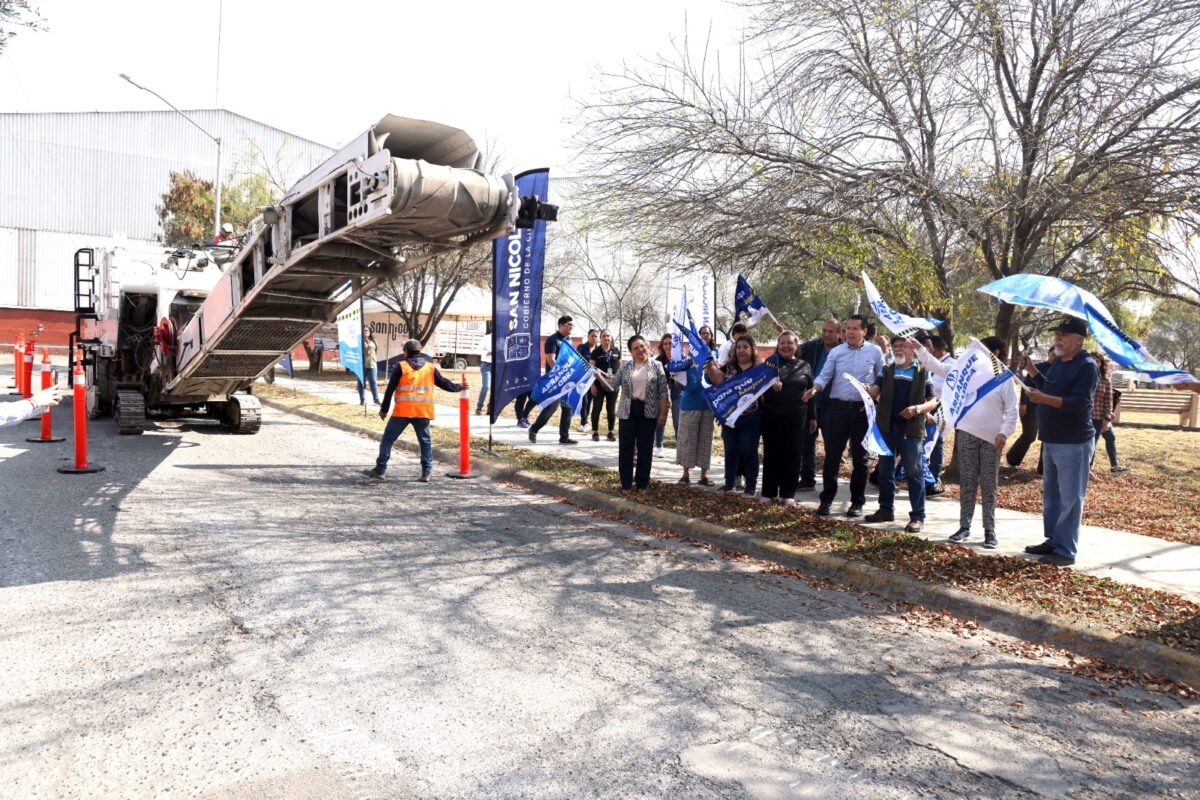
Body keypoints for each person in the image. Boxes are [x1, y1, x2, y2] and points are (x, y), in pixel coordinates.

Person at [916, 336, 1018, 548]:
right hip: (966, 434)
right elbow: (941, 369)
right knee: (968, 482)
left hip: (992, 439)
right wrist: (920, 350)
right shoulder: (968, 373)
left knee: (989, 484)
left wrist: (1005, 432)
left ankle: (990, 531)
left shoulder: (1004, 379)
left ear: (996, 353)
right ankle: (964, 526)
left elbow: (1012, 411)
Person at [1021, 317, 1100, 566]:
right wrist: (1033, 371)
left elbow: (1080, 403)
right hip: (1051, 439)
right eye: (1057, 333)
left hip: (1073, 442)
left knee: (1071, 498)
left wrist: (1043, 399)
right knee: (1053, 497)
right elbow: (1049, 387)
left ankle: (1066, 551)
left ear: (1079, 339)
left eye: (1064, 334)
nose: (1058, 338)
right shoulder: (1058, 363)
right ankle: (1054, 540)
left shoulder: (1087, 366)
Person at [803, 315, 885, 517]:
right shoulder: (837, 352)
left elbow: (883, 376)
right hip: (837, 410)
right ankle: (826, 502)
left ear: (864, 331)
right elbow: (824, 374)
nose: (849, 332)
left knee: (861, 459)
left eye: (854, 328)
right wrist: (815, 388)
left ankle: (857, 503)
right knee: (831, 458)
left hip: (862, 411)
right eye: (847, 328)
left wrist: (874, 390)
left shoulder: (875, 351)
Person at [364, 338, 465, 482]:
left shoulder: (401, 366)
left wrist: (384, 409)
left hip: (402, 412)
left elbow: (390, 389)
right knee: (425, 442)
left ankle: (380, 470)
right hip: (422, 412)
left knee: (388, 439)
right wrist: (459, 387)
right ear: (419, 351)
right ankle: (426, 473)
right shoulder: (430, 368)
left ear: (406, 352)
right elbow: (444, 384)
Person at [863, 337, 937, 531]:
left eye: (902, 346)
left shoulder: (922, 372)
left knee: (914, 473)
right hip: (886, 429)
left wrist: (918, 408)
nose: (897, 349)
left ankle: (918, 517)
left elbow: (933, 401)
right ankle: (885, 510)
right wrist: (867, 391)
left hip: (911, 430)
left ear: (912, 349)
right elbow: (875, 391)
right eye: (895, 346)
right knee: (885, 472)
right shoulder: (886, 369)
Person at [760, 331, 815, 506]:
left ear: (796, 346)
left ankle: (788, 493)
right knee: (772, 454)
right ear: (778, 345)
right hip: (772, 415)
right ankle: (768, 492)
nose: (785, 346)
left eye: (789, 343)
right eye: (782, 343)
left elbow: (810, 392)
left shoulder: (804, 365)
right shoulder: (769, 364)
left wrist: (813, 417)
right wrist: (770, 387)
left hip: (797, 417)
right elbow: (757, 390)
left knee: (793, 454)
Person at [706, 335, 765, 497]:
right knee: (731, 450)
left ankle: (750, 486)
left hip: (751, 417)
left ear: (752, 349)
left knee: (748, 451)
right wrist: (708, 366)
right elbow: (717, 380)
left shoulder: (759, 367)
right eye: (738, 347)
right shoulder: (729, 367)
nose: (741, 350)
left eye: (745, 347)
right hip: (730, 418)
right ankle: (729, 483)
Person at [613, 335, 670, 490]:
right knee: (626, 449)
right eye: (636, 348)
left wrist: (663, 415)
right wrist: (598, 377)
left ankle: (642, 484)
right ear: (631, 352)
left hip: (648, 411)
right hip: (627, 411)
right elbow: (612, 384)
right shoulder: (625, 367)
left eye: (642, 346)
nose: (640, 350)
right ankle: (625, 484)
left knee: (645, 449)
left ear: (648, 346)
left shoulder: (657, 366)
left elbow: (663, 392)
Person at [798, 318, 839, 490]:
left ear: (838, 333)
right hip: (811, 402)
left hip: (833, 405)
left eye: (831, 331)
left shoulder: (844, 350)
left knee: (832, 447)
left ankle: (830, 483)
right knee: (807, 443)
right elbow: (794, 349)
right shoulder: (813, 347)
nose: (826, 334)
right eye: (824, 330)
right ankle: (807, 479)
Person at [528, 315, 578, 445]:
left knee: (568, 409)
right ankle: (533, 429)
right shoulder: (552, 340)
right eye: (568, 325)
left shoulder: (569, 340)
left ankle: (564, 437)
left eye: (572, 325)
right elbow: (550, 360)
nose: (571, 327)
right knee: (551, 408)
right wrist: (561, 373)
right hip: (555, 381)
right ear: (560, 325)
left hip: (567, 380)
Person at [675, 348, 715, 486]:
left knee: (705, 441)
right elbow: (678, 385)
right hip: (689, 405)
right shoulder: (686, 364)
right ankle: (685, 475)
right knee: (687, 440)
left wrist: (711, 366)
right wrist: (676, 374)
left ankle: (704, 476)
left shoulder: (711, 363)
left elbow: (716, 381)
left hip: (707, 406)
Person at [1089, 352, 1129, 474]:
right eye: (1092, 359)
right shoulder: (1082, 376)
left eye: (1097, 360)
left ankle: (1114, 467)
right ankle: (1087, 469)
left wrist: (1107, 419)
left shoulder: (1105, 379)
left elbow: (1108, 400)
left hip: (1100, 416)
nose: (1095, 362)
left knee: (1110, 437)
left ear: (1101, 364)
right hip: (1086, 416)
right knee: (1092, 443)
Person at [924, 335, 954, 495]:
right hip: (925, 406)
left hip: (939, 408)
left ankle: (933, 480)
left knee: (936, 445)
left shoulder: (951, 365)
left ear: (940, 350)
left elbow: (940, 389)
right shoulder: (932, 364)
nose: (931, 354)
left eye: (932, 350)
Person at [654, 333, 684, 459]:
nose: (667, 346)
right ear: (662, 345)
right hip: (662, 392)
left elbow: (684, 380)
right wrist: (665, 395)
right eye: (665, 343)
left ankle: (680, 449)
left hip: (678, 392)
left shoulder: (681, 358)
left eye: (670, 343)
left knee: (678, 422)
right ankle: (659, 446)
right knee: (661, 419)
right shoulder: (658, 360)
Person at [590, 329, 621, 441]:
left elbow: (620, 367)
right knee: (597, 408)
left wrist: (617, 378)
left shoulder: (616, 351)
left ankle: (610, 432)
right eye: (604, 336)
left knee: (611, 409)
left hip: (613, 385)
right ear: (600, 338)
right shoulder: (596, 352)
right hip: (598, 384)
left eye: (608, 336)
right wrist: (592, 385)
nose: (606, 338)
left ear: (611, 338)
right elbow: (591, 370)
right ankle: (595, 432)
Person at [576, 329, 599, 431]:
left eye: (596, 336)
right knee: (584, 400)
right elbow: (577, 362)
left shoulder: (598, 350)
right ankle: (584, 421)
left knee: (589, 401)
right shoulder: (582, 348)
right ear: (588, 336)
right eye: (592, 336)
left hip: (593, 380)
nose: (594, 338)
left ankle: (583, 422)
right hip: (583, 379)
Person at [355, 325, 381, 406]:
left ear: (370, 332)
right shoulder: (359, 340)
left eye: (368, 330)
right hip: (362, 365)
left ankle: (376, 399)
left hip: (372, 364)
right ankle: (362, 399)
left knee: (373, 382)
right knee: (361, 382)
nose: (366, 332)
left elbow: (376, 351)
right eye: (365, 330)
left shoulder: (373, 340)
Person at [475, 333, 492, 416]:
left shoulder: (502, 338)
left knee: (494, 388)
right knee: (486, 386)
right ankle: (479, 406)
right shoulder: (486, 337)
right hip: (486, 365)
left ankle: (490, 407)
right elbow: (478, 349)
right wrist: (488, 353)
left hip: (497, 366)